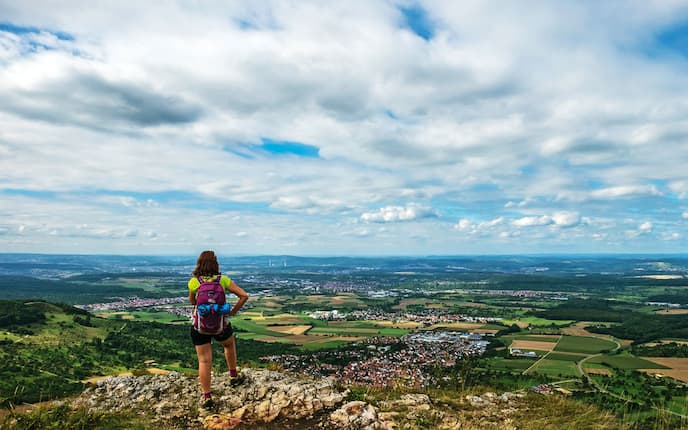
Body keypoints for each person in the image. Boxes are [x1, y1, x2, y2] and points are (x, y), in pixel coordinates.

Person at [188, 250, 249, 406]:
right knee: (229, 344)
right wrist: (233, 311)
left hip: (199, 326)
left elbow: (192, 302)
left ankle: (207, 398)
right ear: (216, 264)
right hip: (220, 324)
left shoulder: (194, 282)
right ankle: (233, 376)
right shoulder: (224, 280)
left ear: (199, 264)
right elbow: (244, 296)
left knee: (204, 360)